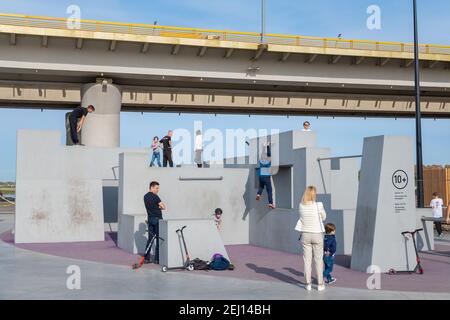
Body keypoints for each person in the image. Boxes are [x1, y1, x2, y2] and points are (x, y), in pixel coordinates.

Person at [295, 186, 327, 291]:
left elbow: (302, 218)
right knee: (318, 260)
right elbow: (324, 217)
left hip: (305, 234)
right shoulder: (319, 205)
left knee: (307, 260)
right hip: (317, 234)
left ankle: (308, 284)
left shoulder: (301, 205)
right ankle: (320, 284)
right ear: (314, 194)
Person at [143, 181, 167, 264]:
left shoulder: (145, 196)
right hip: (157, 219)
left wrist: (156, 207)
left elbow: (150, 207)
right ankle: (157, 259)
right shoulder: (155, 196)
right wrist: (158, 207)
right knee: (158, 239)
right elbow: (164, 207)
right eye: (156, 188)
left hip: (150, 219)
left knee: (150, 239)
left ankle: (146, 258)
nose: (158, 190)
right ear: (152, 187)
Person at [256, 143, 275, 209]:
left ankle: (258, 194)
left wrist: (264, 147)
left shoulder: (261, 160)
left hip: (261, 176)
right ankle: (270, 203)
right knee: (269, 190)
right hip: (266, 176)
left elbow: (262, 154)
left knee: (261, 186)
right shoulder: (268, 160)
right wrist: (267, 146)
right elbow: (269, 154)